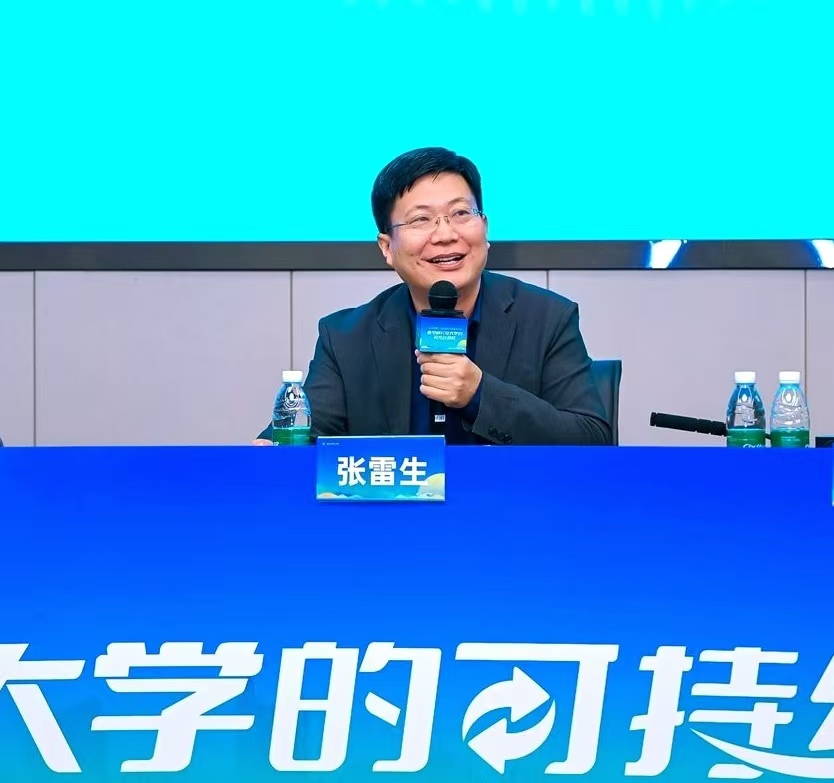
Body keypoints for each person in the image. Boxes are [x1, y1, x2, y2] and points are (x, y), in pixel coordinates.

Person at [256, 147, 611, 445]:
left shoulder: (547, 319)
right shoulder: (346, 339)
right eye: (421, 220)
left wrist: (480, 394)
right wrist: (270, 450)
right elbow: (301, 437)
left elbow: (591, 439)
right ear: (387, 247)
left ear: (485, 228)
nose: (445, 235)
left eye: (461, 213)